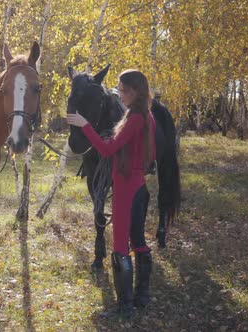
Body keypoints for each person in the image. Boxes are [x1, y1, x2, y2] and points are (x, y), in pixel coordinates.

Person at [66, 69, 156, 316]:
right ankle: (142, 296)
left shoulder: (134, 118)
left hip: (126, 189)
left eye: (124, 90)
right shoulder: (147, 116)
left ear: (135, 91)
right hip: (139, 186)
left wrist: (85, 126)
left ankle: (124, 306)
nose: (120, 94)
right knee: (138, 241)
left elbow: (108, 149)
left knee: (120, 246)